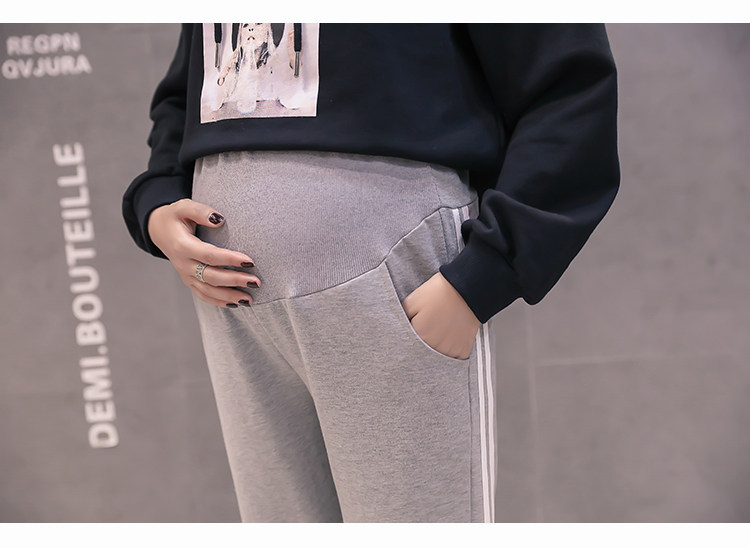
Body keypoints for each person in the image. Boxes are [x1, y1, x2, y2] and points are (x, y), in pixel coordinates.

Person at [122, 23, 620, 523]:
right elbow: (190, 79)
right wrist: (159, 196)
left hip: (394, 282)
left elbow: (567, 77)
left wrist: (483, 276)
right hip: (233, 300)